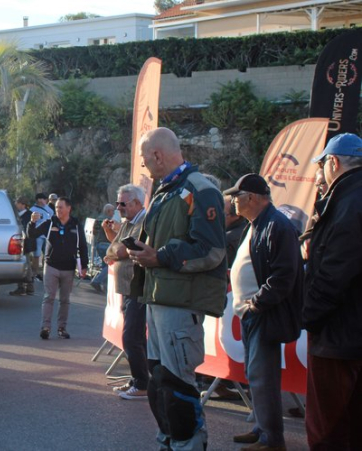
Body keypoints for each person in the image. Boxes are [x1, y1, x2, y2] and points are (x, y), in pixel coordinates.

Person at [128, 127, 226, 450]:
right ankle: (170, 441)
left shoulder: (200, 189)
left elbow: (212, 251)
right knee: (159, 383)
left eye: (145, 160)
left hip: (181, 307)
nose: (144, 167)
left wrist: (160, 256)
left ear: (157, 155)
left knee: (176, 385)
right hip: (157, 299)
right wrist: (143, 252)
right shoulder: (164, 191)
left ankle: (189, 444)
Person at [224, 174, 302, 451]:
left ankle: (271, 439)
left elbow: (284, 274)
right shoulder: (258, 223)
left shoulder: (276, 225)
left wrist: (256, 303)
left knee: (263, 376)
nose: (233, 201)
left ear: (253, 198)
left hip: (263, 313)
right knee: (255, 374)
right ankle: (262, 429)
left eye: (237, 195)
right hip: (253, 313)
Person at [302, 133, 362, 449]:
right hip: (349, 333)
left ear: (333, 163)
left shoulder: (347, 202)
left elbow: (334, 272)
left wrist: (308, 316)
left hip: (337, 336)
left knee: (330, 431)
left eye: (323, 164)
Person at [102, 184, 149, 400]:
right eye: (118, 202)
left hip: (138, 286)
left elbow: (119, 250)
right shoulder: (129, 222)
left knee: (131, 337)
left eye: (123, 203)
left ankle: (142, 384)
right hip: (128, 288)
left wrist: (115, 252)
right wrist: (114, 250)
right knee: (136, 337)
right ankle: (141, 379)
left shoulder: (143, 222)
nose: (118, 207)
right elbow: (114, 246)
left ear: (137, 203)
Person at [28, 196, 88, 340]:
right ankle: (46, 327)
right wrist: (32, 222)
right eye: (56, 208)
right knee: (49, 297)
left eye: (61, 207)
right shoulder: (50, 223)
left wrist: (84, 266)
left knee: (65, 300)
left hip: (68, 267)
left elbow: (83, 246)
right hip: (51, 266)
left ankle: (62, 328)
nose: (58, 210)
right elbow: (32, 234)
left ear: (69, 208)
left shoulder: (75, 225)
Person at [10, 197, 36, 296]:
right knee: (23, 265)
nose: (16, 205)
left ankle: (28, 286)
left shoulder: (29, 215)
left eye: (17, 203)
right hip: (19, 243)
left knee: (26, 265)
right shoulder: (17, 215)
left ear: (22, 204)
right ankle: (22, 287)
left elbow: (26, 231)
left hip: (26, 244)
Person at [90, 203, 117, 294]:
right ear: (109, 211)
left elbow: (94, 231)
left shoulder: (98, 218)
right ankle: (96, 281)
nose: (114, 213)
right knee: (110, 265)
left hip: (98, 244)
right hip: (106, 244)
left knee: (105, 266)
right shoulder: (108, 221)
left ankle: (105, 287)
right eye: (113, 210)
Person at [29, 193, 54, 281]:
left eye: (45, 199)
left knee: (47, 255)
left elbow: (52, 216)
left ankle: (45, 274)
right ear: (38, 199)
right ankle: (34, 273)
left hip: (47, 235)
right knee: (37, 255)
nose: (44, 200)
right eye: (43, 199)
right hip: (38, 235)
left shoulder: (48, 209)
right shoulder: (32, 209)